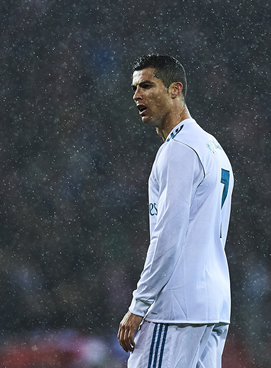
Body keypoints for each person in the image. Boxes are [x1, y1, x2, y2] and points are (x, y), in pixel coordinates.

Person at [117, 55, 234, 367]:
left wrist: (139, 305)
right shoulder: (213, 147)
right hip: (212, 306)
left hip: (176, 310)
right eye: (134, 88)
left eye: (146, 85)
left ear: (175, 89)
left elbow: (169, 237)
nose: (137, 95)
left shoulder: (179, 149)